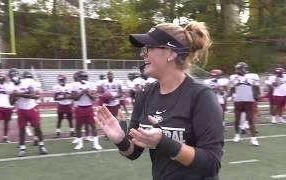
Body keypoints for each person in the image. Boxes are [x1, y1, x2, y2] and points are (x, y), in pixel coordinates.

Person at [96, 21, 223, 179]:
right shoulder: (145, 94)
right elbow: (133, 152)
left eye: (148, 48)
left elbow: (211, 164)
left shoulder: (201, 96)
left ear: (171, 53)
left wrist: (164, 143)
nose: (143, 54)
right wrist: (121, 140)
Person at [11, 71, 47, 157]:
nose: (14, 79)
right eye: (12, 77)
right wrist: (14, 97)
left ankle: (41, 145)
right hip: (21, 110)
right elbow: (11, 102)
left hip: (31, 108)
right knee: (22, 129)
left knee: (37, 127)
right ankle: (22, 148)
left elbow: (34, 95)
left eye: (15, 76)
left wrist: (19, 94)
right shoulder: (11, 87)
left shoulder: (27, 82)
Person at [229, 62, 260, 146]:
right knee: (237, 120)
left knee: (251, 120)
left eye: (239, 69)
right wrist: (228, 95)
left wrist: (257, 96)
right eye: (237, 69)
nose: (237, 70)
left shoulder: (252, 76)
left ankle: (253, 138)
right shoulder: (233, 77)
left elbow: (256, 87)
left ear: (244, 69)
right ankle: (237, 135)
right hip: (238, 100)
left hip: (249, 100)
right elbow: (232, 88)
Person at [71, 71, 102, 150]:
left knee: (93, 125)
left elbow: (94, 98)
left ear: (87, 78)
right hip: (79, 108)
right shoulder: (74, 85)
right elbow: (74, 98)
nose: (83, 78)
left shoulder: (91, 85)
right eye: (81, 77)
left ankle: (96, 144)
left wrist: (88, 93)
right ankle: (80, 143)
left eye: (85, 77)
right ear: (78, 78)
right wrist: (81, 93)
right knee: (78, 126)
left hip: (89, 107)